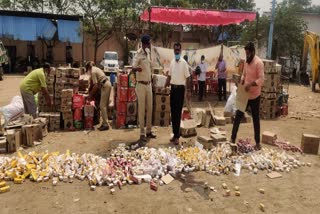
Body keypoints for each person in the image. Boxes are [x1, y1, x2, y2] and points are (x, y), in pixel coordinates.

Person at [231, 42, 264, 150]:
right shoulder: (246, 62)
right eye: (246, 54)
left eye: (248, 54)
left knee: (255, 119)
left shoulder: (259, 63)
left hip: (255, 96)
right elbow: (244, 75)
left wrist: (250, 84)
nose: (247, 56)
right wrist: (241, 82)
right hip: (245, 95)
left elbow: (261, 79)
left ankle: (258, 142)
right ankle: (232, 138)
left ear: (253, 52)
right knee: (238, 117)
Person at [165, 42, 192, 145]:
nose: (176, 51)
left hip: (180, 90)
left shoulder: (184, 63)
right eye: (175, 50)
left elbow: (188, 77)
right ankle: (175, 134)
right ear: (173, 50)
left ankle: (177, 136)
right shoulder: (172, 62)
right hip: (173, 89)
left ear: (180, 51)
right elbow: (169, 76)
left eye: (178, 50)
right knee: (173, 112)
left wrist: (188, 91)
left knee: (178, 113)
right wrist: (165, 85)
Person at [132, 35, 157, 143]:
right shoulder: (138, 54)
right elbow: (133, 67)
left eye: (149, 43)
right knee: (142, 109)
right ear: (143, 43)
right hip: (141, 85)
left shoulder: (149, 54)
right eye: (147, 43)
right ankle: (142, 133)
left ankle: (149, 131)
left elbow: (152, 66)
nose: (148, 45)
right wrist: (137, 68)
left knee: (150, 108)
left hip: (149, 84)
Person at [86, 61, 112, 131]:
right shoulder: (96, 69)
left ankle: (106, 124)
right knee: (104, 106)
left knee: (102, 105)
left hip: (105, 86)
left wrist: (90, 95)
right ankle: (104, 122)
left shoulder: (93, 71)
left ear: (88, 68)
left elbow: (96, 86)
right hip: (107, 84)